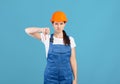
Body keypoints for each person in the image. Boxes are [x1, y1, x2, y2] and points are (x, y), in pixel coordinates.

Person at [25, 11, 77, 84]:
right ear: (52, 24)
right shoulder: (47, 38)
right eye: (56, 23)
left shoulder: (70, 40)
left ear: (65, 24)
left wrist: (75, 79)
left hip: (67, 78)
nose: (58, 26)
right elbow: (27, 31)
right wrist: (41, 30)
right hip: (50, 78)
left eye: (61, 23)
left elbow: (73, 60)